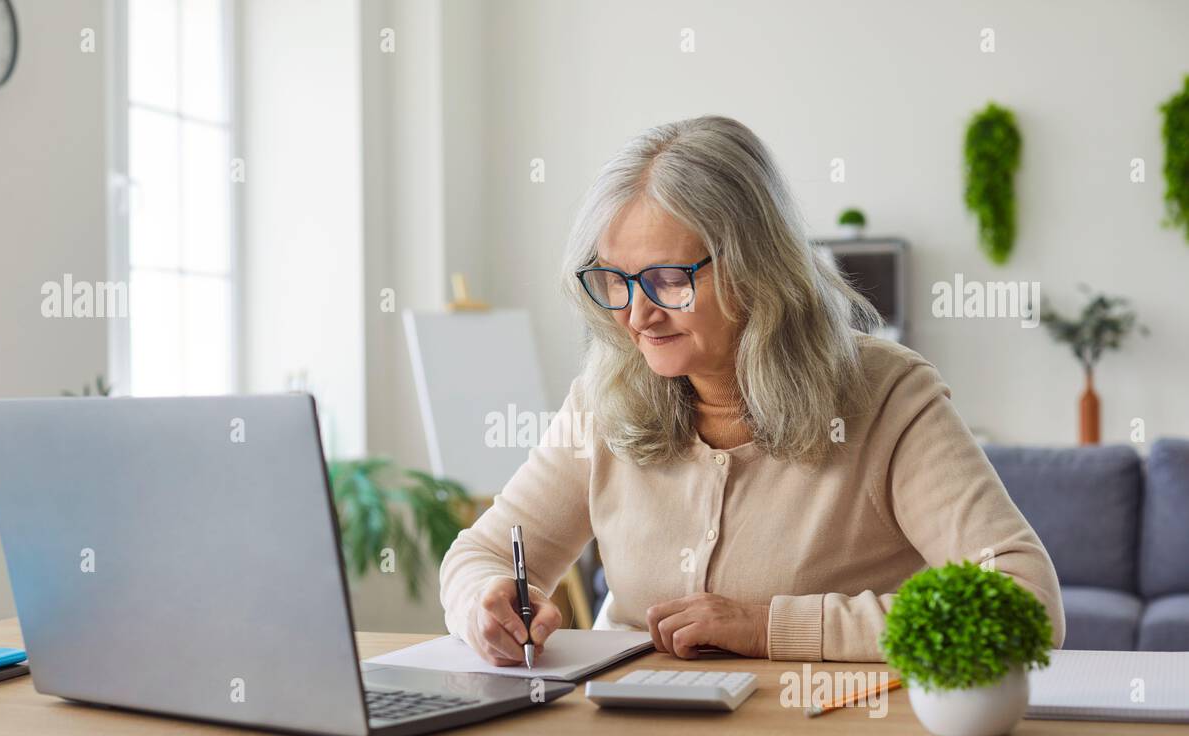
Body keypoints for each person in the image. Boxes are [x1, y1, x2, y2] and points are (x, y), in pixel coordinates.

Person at [439, 115, 1064, 665]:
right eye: (614, 280)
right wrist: (484, 606)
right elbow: (481, 556)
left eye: (666, 278)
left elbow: (1023, 602)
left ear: (757, 268)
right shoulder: (601, 399)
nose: (636, 315)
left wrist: (769, 627)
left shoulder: (888, 398)